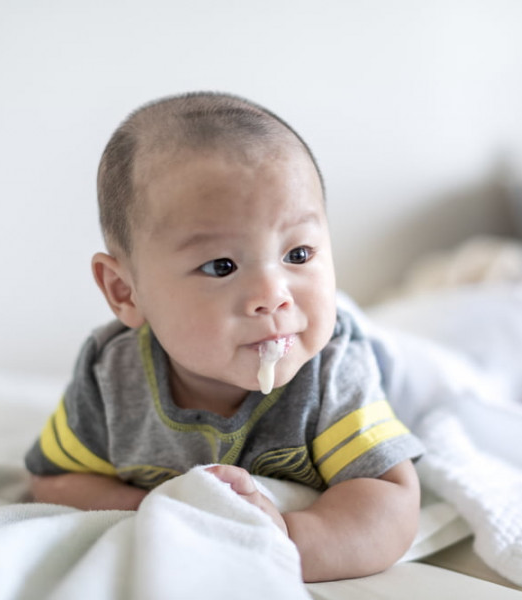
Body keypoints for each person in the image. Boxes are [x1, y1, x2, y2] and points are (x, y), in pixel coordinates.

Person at [25, 91, 424, 582]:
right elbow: (55, 481)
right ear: (125, 291)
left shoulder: (332, 369)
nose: (272, 296)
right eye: (221, 266)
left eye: (298, 255)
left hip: (402, 375)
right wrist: (163, 509)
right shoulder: (112, 375)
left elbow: (390, 502)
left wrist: (275, 538)